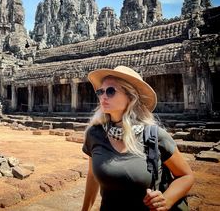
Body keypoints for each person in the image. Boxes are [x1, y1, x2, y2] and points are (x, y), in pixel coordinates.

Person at [81, 66, 194, 211]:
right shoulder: (94, 134)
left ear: (131, 97)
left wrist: (167, 199)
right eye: (100, 91)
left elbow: (186, 175)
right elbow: (92, 175)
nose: (103, 96)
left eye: (110, 91)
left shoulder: (155, 135)